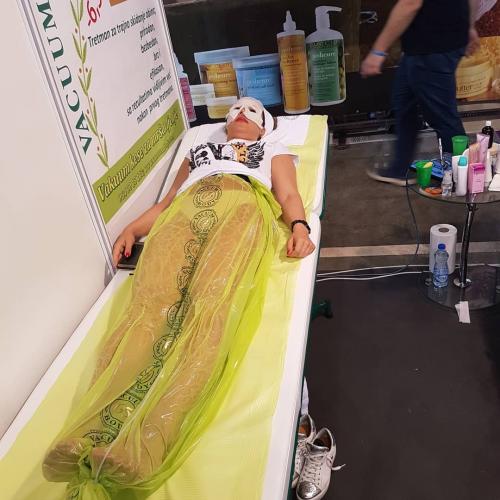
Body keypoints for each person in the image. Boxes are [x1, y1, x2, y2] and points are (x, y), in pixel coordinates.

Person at [42, 97, 315, 498]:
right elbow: (166, 203)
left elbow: (288, 195)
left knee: (209, 312)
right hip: (184, 212)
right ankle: (87, 432)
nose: (242, 113)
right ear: (225, 121)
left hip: (242, 206)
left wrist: (300, 226)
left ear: (264, 127)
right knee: (146, 311)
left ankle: (150, 443)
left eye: (253, 111)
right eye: (236, 109)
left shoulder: (273, 151)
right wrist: (133, 230)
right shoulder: (198, 150)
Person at [361, 0, 480, 186]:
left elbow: (410, 3)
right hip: (433, 43)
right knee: (404, 102)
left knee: (443, 117)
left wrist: (378, 51)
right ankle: (399, 169)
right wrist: (469, 25)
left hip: (432, 47)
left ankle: (463, 180)